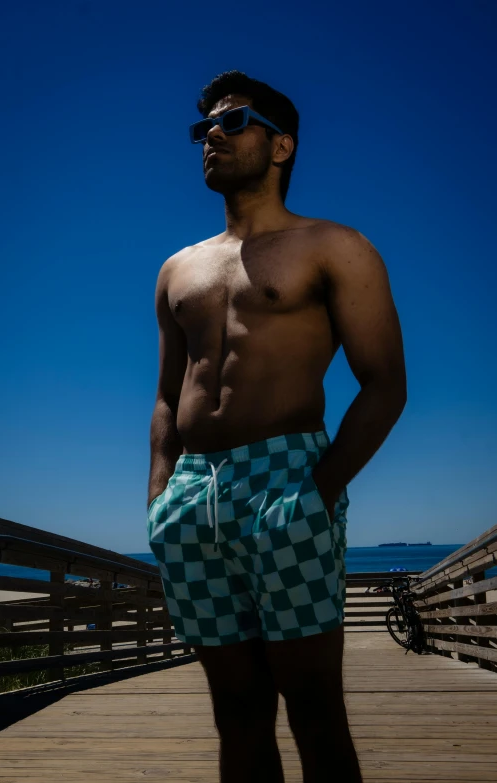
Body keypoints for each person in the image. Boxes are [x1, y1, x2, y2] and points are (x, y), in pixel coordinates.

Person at [146, 70, 407, 783]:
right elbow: (169, 397)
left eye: (232, 124)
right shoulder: (179, 269)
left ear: (282, 144)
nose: (211, 140)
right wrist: (160, 498)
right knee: (236, 707)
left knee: (314, 704)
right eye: (204, 130)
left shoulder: (335, 247)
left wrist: (318, 490)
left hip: (288, 477)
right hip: (194, 494)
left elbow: (385, 383)